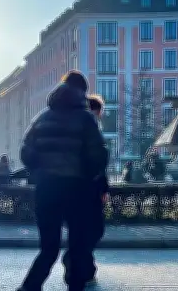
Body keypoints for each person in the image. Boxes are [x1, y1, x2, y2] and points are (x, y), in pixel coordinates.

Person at [18, 70, 109, 291]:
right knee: (78, 247)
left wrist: (40, 172)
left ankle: (28, 288)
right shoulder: (85, 119)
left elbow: (26, 152)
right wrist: (89, 176)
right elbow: (98, 155)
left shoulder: (42, 118)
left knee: (48, 249)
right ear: (82, 93)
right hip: (76, 190)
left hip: (47, 189)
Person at [62, 94, 108, 287]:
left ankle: (84, 268)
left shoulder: (81, 130)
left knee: (86, 232)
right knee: (93, 230)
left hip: (82, 188)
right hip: (86, 189)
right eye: (98, 113)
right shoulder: (86, 131)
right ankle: (75, 262)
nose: (98, 117)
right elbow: (98, 163)